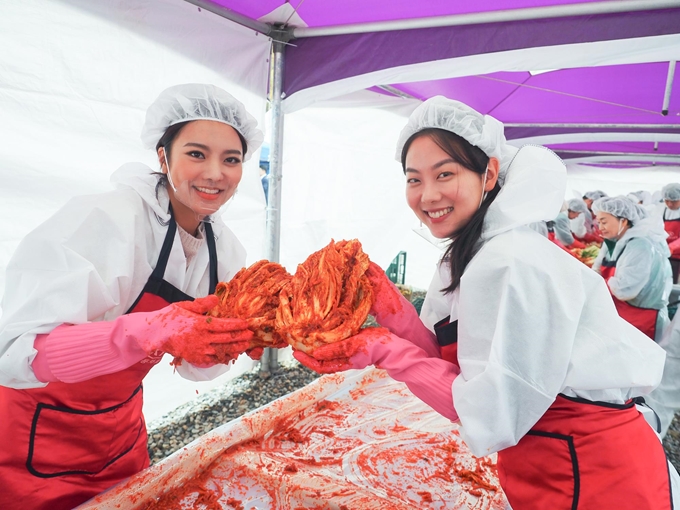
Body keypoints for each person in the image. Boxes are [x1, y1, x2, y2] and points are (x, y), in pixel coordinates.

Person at [294, 96, 677, 509]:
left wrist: (381, 349)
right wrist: (388, 307)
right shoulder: (470, 253)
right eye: (414, 179)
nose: (428, 195)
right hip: (544, 454)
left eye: (445, 174)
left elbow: (490, 412)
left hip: (592, 467)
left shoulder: (512, 261)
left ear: (489, 173)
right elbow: (458, 363)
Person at [0, 83, 264, 509]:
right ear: (163, 157)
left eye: (231, 160)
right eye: (196, 154)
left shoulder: (225, 251)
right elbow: (16, 352)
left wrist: (228, 343)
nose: (216, 173)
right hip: (32, 441)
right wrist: (151, 331)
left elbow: (195, 368)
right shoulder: (106, 220)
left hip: (120, 436)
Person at [592, 196, 672, 342]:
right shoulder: (614, 240)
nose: (600, 227)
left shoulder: (640, 245)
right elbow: (597, 267)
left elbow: (625, 290)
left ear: (624, 220)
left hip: (643, 317)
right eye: (598, 222)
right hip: (622, 312)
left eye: (604, 222)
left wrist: (598, 283)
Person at [661, 183, 680, 283]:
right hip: (665, 255)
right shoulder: (661, 211)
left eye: (673, 201)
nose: (669, 204)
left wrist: (672, 247)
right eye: (666, 201)